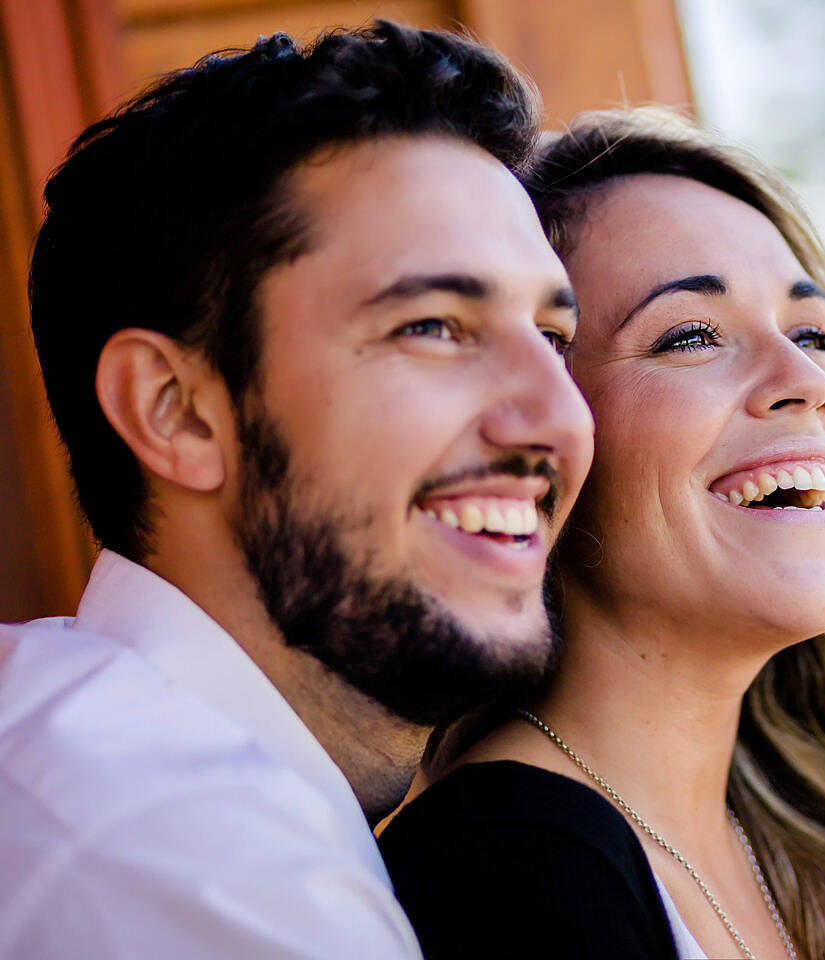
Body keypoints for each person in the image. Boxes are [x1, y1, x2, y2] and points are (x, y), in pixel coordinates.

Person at [379, 108, 825, 960]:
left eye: (813, 336)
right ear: (541, 437)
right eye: (691, 336)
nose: (808, 382)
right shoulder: (503, 873)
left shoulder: (817, 839)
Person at [0, 22, 593, 959]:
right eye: (435, 326)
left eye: (554, 340)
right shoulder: (193, 862)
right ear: (177, 412)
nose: (557, 419)